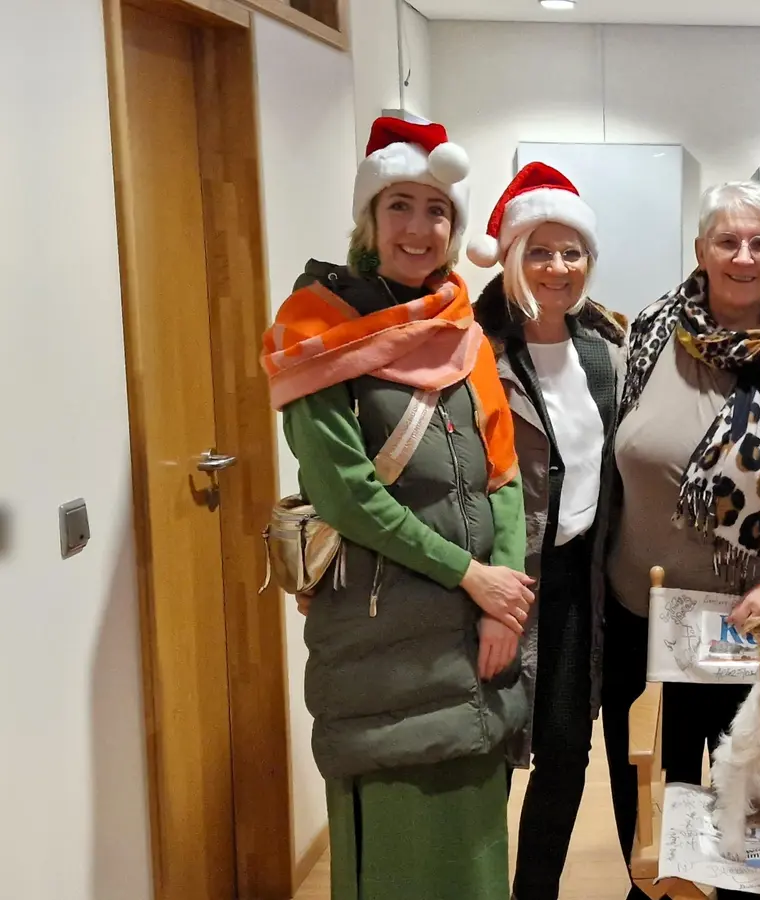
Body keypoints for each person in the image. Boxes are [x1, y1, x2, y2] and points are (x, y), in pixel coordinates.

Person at [263, 117, 534, 900]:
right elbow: (346, 492)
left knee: (476, 846)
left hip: (473, 636)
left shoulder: (460, 326)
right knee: (398, 847)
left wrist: (502, 604)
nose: (420, 227)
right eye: (400, 206)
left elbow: (503, 474)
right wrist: (471, 576)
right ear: (369, 218)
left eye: (438, 210)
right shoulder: (317, 329)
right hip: (383, 633)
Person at [604, 180, 760, 900]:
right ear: (701, 249)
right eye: (727, 240)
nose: (744, 256)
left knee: (749, 799)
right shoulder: (647, 336)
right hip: (643, 619)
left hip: (753, 630)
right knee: (651, 796)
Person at [465, 162, 626, 900]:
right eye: (539, 250)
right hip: (495, 585)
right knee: (487, 754)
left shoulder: (607, 352)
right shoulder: (467, 350)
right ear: (508, 255)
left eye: (572, 252)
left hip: (577, 590)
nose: (557, 268)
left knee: (565, 753)